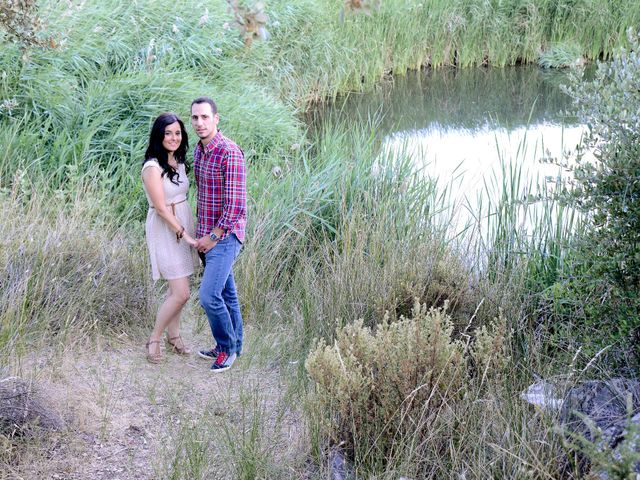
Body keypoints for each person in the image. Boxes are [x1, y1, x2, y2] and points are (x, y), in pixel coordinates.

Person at [191, 96, 246, 372]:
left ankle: (226, 349)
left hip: (225, 237)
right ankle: (236, 344)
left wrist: (212, 237)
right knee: (227, 294)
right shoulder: (199, 151)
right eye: (195, 118)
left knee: (209, 296)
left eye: (204, 117)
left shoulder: (229, 152)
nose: (199, 123)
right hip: (206, 234)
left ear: (216, 119)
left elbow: (236, 206)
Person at [142, 112, 198, 363]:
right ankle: (154, 339)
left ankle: (174, 336)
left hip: (182, 221)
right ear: (159, 135)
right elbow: (162, 208)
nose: (174, 138)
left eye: (177, 133)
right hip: (167, 229)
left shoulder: (178, 161)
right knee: (181, 293)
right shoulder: (152, 167)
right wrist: (183, 233)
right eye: (168, 133)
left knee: (179, 287)